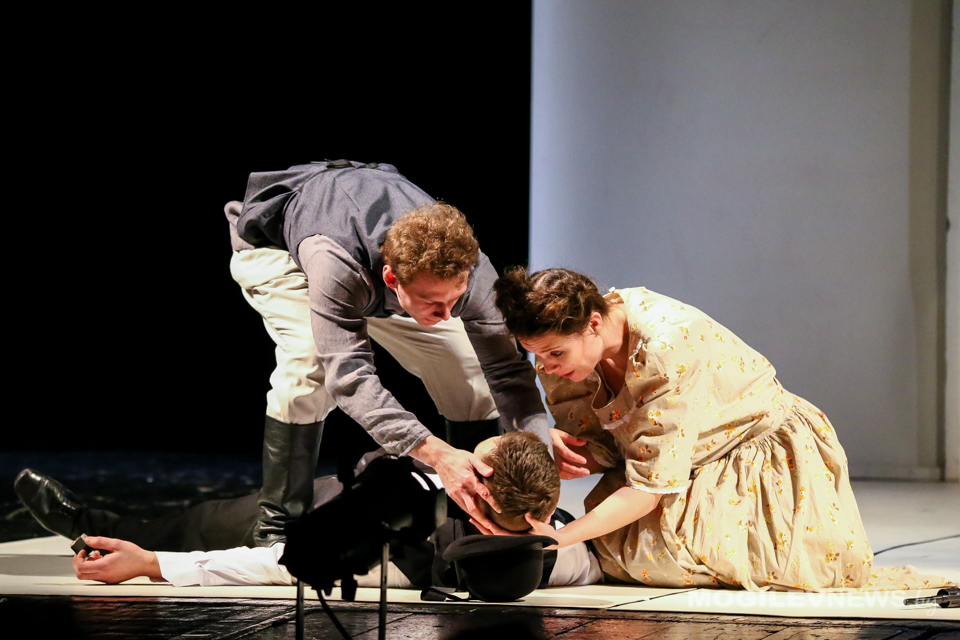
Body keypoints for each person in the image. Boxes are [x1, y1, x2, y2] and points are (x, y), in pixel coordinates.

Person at [491, 267, 952, 592]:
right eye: (537, 354)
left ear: (593, 323)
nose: (545, 366)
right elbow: (610, 442)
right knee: (619, 549)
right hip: (677, 459)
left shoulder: (666, 345)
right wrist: (570, 451)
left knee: (662, 559)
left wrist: (559, 538)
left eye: (555, 353)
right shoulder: (570, 353)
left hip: (752, 450)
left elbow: (650, 486)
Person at [224, 160, 558, 545]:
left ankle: (471, 510)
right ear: (392, 280)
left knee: (466, 363)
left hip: (372, 260)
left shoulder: (474, 273)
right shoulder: (335, 264)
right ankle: (280, 525)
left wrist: (540, 460)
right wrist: (438, 455)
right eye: (433, 303)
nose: (446, 314)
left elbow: (507, 371)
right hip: (281, 250)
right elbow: (350, 379)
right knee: (310, 363)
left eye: (455, 299)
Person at [15, 432, 601, 589]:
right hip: (336, 490)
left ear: (482, 503)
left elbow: (282, 563)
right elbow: (586, 556)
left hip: (310, 520)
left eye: (473, 464)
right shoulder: (560, 543)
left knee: (191, 527)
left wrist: (153, 566)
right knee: (199, 517)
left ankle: (88, 525)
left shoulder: (407, 554)